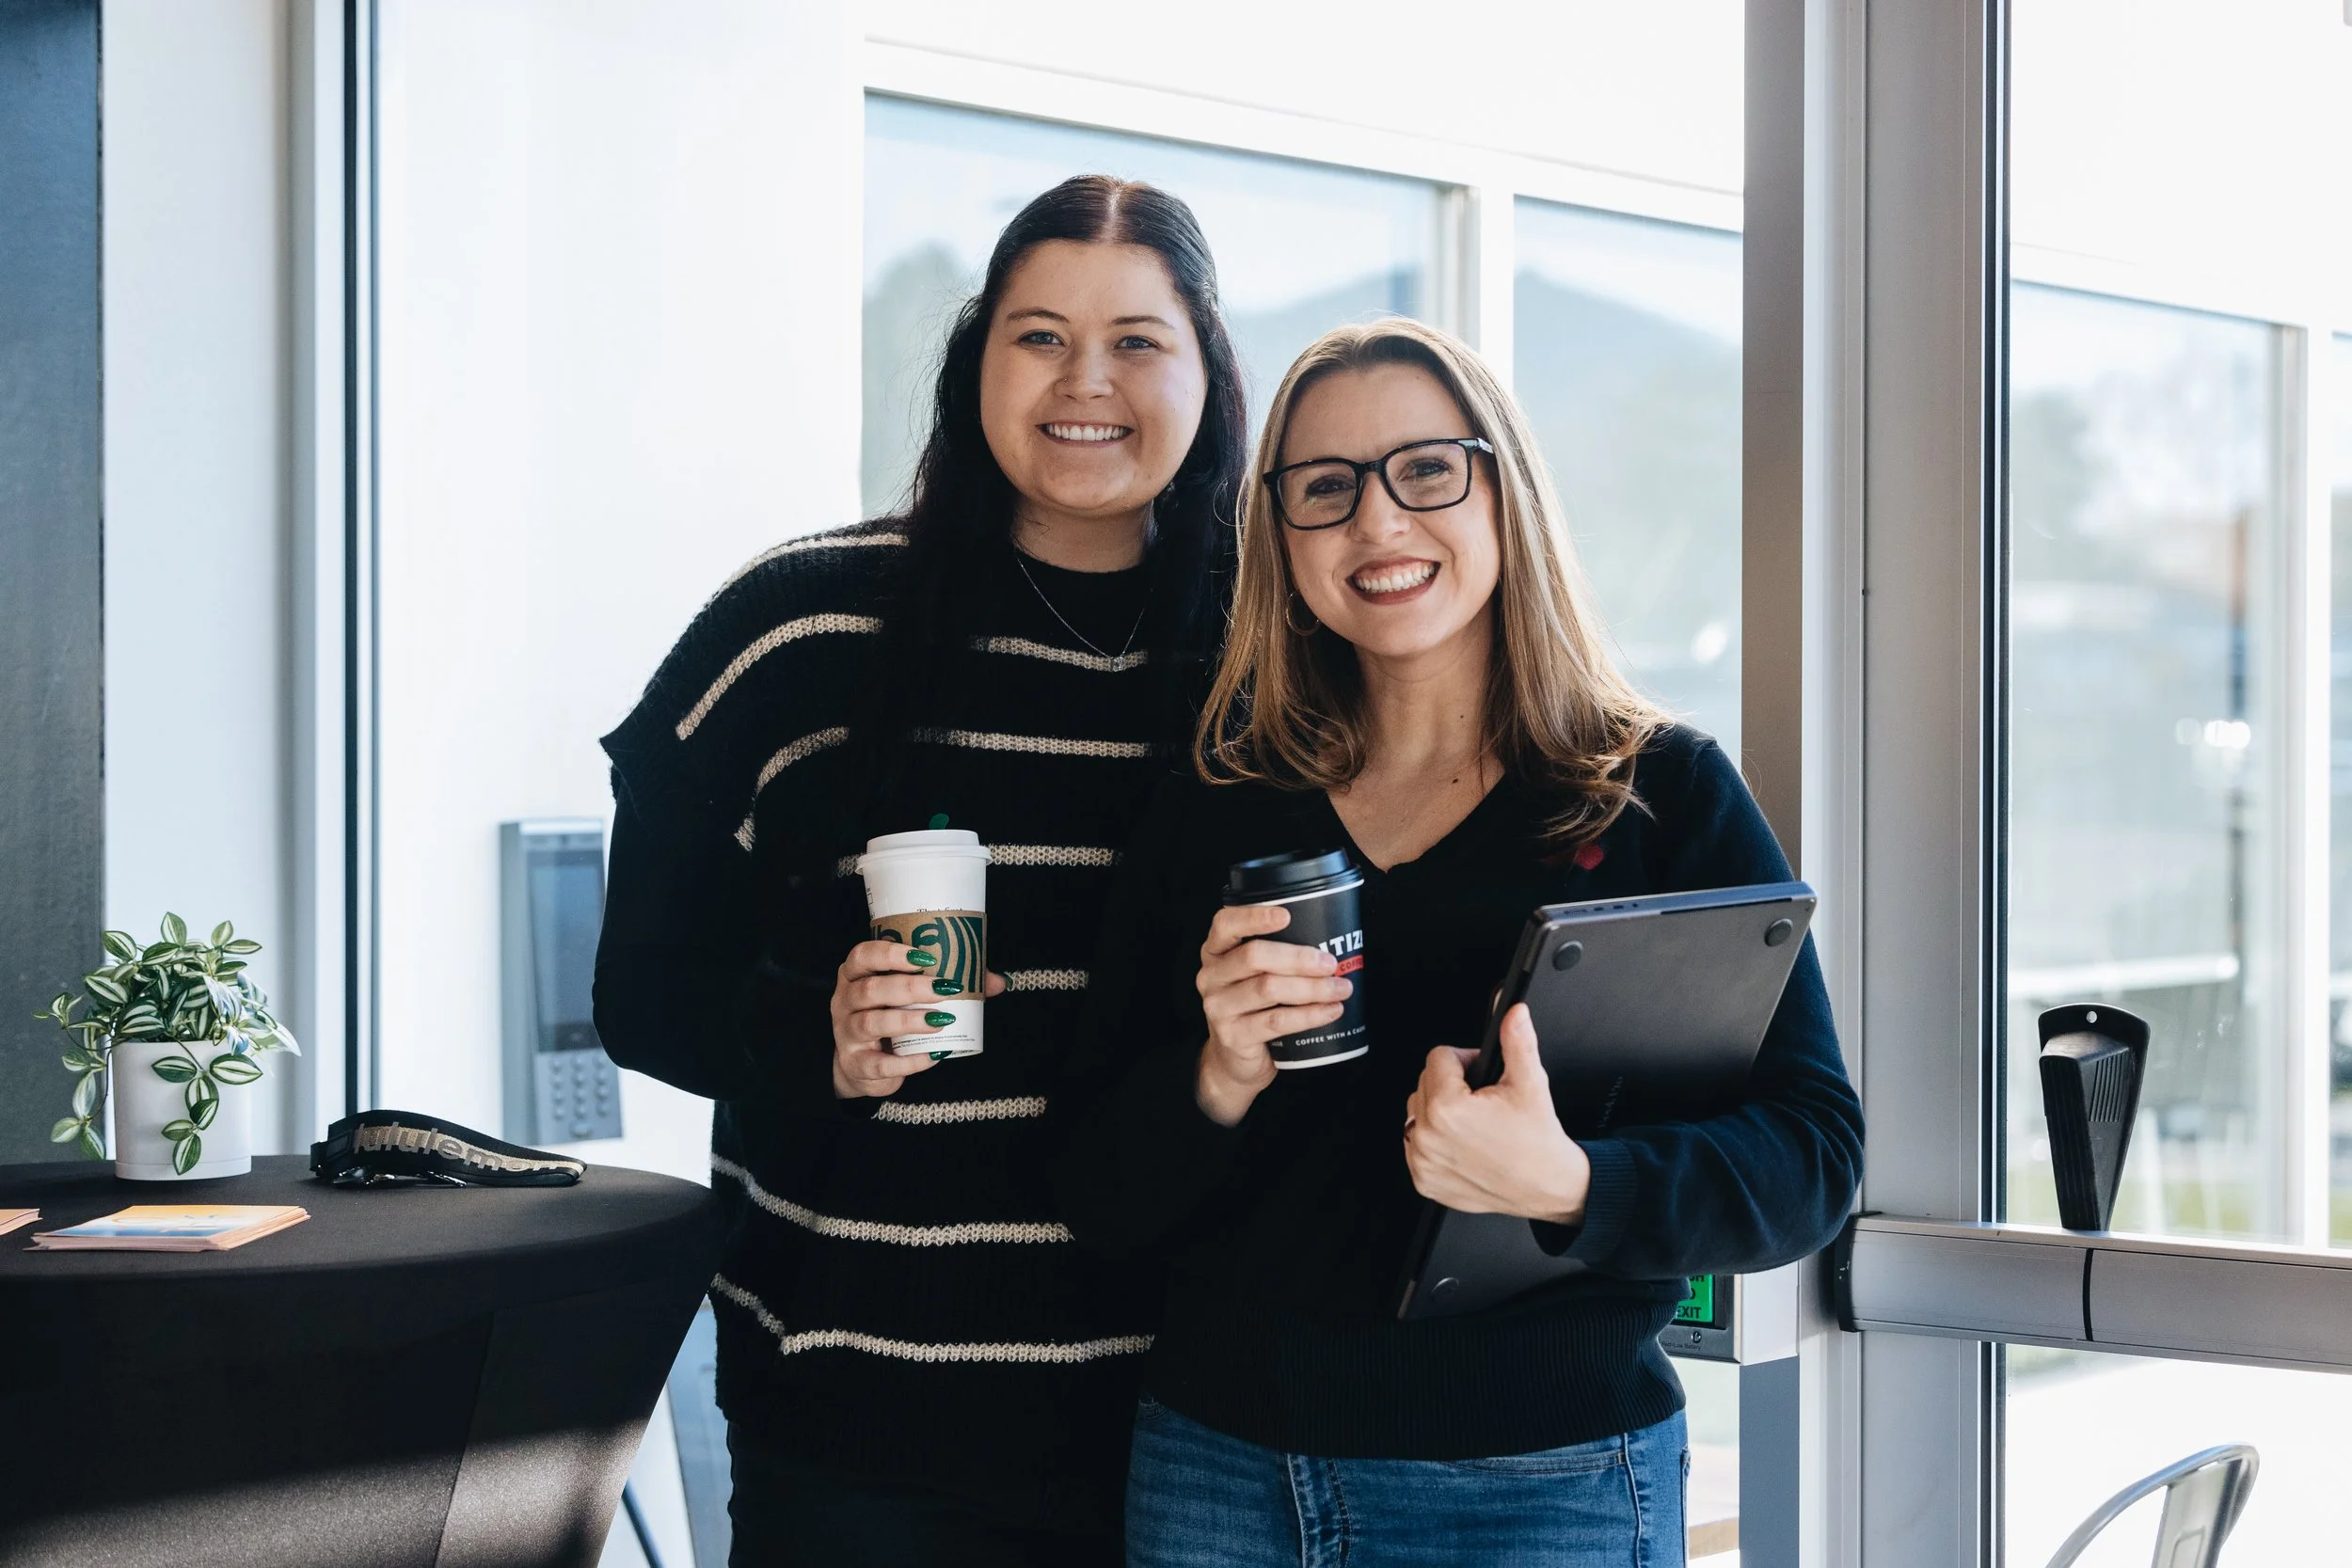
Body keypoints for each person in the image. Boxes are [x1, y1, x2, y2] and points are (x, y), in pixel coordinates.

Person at [1059, 318, 1864, 1567]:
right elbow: (1097, 1192)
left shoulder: (1662, 795)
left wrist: (1570, 1184)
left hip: (1540, 1489)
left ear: (1506, 490)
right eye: (1325, 488)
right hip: (1220, 1477)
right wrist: (1216, 1072)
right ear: (1281, 534)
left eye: (1427, 470)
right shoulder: (1213, 809)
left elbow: (1812, 1154)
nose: (1378, 524)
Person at [594, 176, 1248, 1566]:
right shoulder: (800, 626)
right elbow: (641, 993)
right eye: (1039, 335)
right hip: (857, 1429)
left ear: (1205, 372)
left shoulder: (1270, 664)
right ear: (976, 362)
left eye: (1139, 340)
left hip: (1193, 1426)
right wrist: (815, 1035)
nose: (1089, 382)